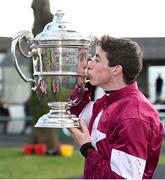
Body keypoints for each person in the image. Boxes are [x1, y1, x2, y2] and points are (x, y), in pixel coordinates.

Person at [68, 35, 164, 179]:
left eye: (97, 59)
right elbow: (75, 116)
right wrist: (83, 85)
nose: (89, 64)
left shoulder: (133, 116)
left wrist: (87, 149)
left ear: (116, 70)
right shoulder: (107, 101)